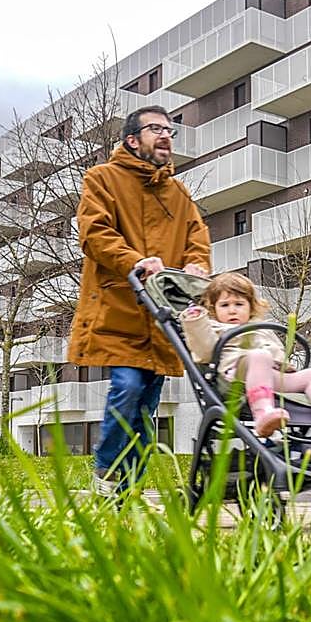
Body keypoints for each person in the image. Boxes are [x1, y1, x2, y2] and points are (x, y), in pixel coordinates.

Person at [70, 105, 211, 498]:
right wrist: (134, 261)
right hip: (120, 307)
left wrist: (197, 264)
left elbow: (196, 235)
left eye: (169, 130)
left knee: (147, 406)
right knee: (128, 387)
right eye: (155, 129)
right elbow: (94, 233)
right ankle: (108, 470)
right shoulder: (101, 179)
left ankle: (129, 489)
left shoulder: (177, 193)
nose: (165, 135)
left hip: (162, 313)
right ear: (132, 140)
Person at [180, 273, 311, 443]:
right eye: (225, 305)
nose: (232, 310)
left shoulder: (261, 328)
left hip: (271, 376)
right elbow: (203, 350)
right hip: (237, 378)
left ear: (250, 307)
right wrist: (196, 321)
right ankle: (263, 413)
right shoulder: (214, 328)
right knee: (260, 355)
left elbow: (278, 353)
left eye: (239, 304)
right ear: (214, 309)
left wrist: (284, 365)